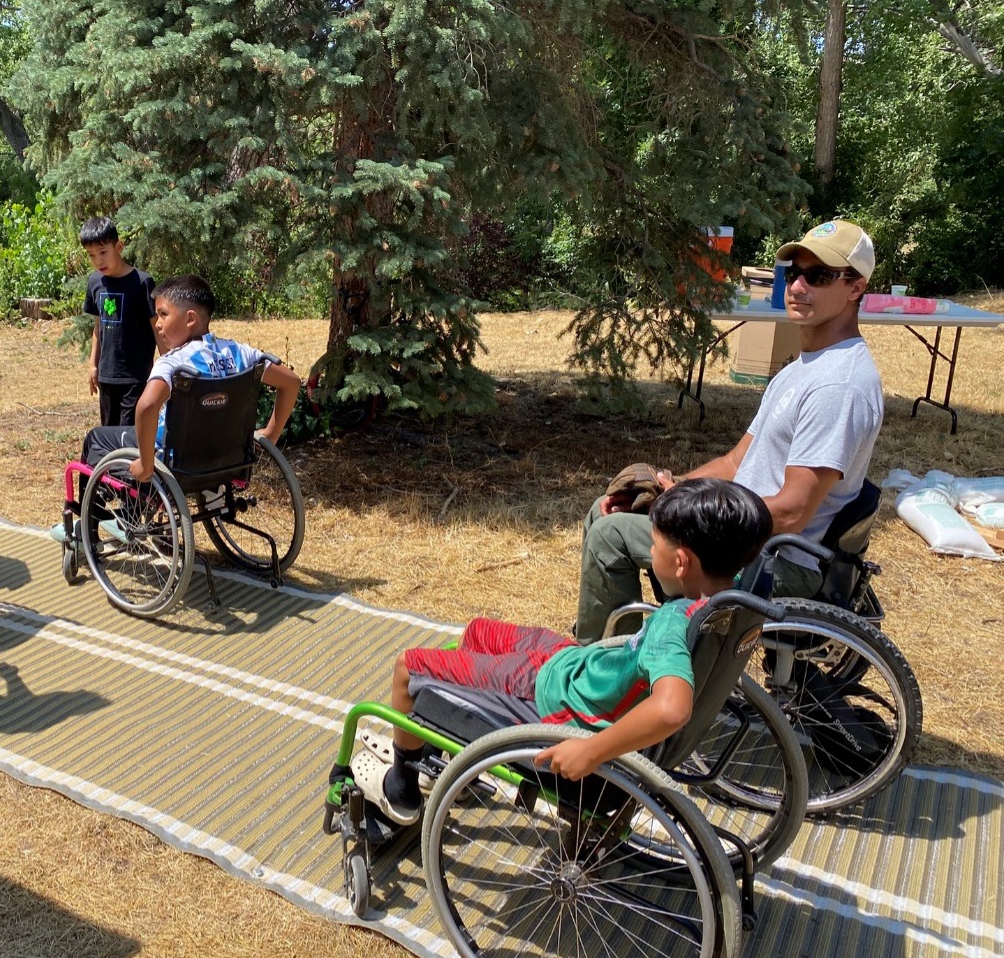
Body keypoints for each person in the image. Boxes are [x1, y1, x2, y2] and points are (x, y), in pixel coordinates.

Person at [359, 479, 774, 824]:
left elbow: (672, 709)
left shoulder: (673, 624)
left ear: (681, 563)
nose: (650, 553)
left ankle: (402, 787)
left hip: (549, 695)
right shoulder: (733, 591)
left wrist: (591, 750)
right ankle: (440, 753)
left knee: (407, 668)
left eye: (654, 544)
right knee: (476, 633)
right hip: (573, 663)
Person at [575, 219, 884, 643]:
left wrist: (688, 514)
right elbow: (736, 461)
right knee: (607, 509)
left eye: (819, 276)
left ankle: (607, 677)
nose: (797, 287)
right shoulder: (803, 368)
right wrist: (676, 487)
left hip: (776, 563)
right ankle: (631, 652)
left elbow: (793, 512)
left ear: (856, 287)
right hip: (745, 540)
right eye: (793, 273)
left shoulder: (839, 386)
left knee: (610, 537)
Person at [52, 274, 300, 542]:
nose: (157, 324)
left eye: (163, 314)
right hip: (226, 457)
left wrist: (146, 465)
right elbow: (292, 383)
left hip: (174, 461)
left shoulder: (173, 364)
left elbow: (146, 407)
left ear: (190, 318)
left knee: (95, 440)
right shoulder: (241, 354)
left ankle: (89, 532)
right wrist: (271, 435)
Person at [81, 216, 157, 426]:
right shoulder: (95, 282)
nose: (98, 261)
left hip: (136, 376)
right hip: (107, 376)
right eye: (91, 255)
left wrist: (166, 367)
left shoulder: (142, 282)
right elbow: (98, 327)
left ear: (119, 246)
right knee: (109, 433)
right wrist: (93, 365)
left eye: (103, 252)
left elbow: (157, 328)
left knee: (128, 435)